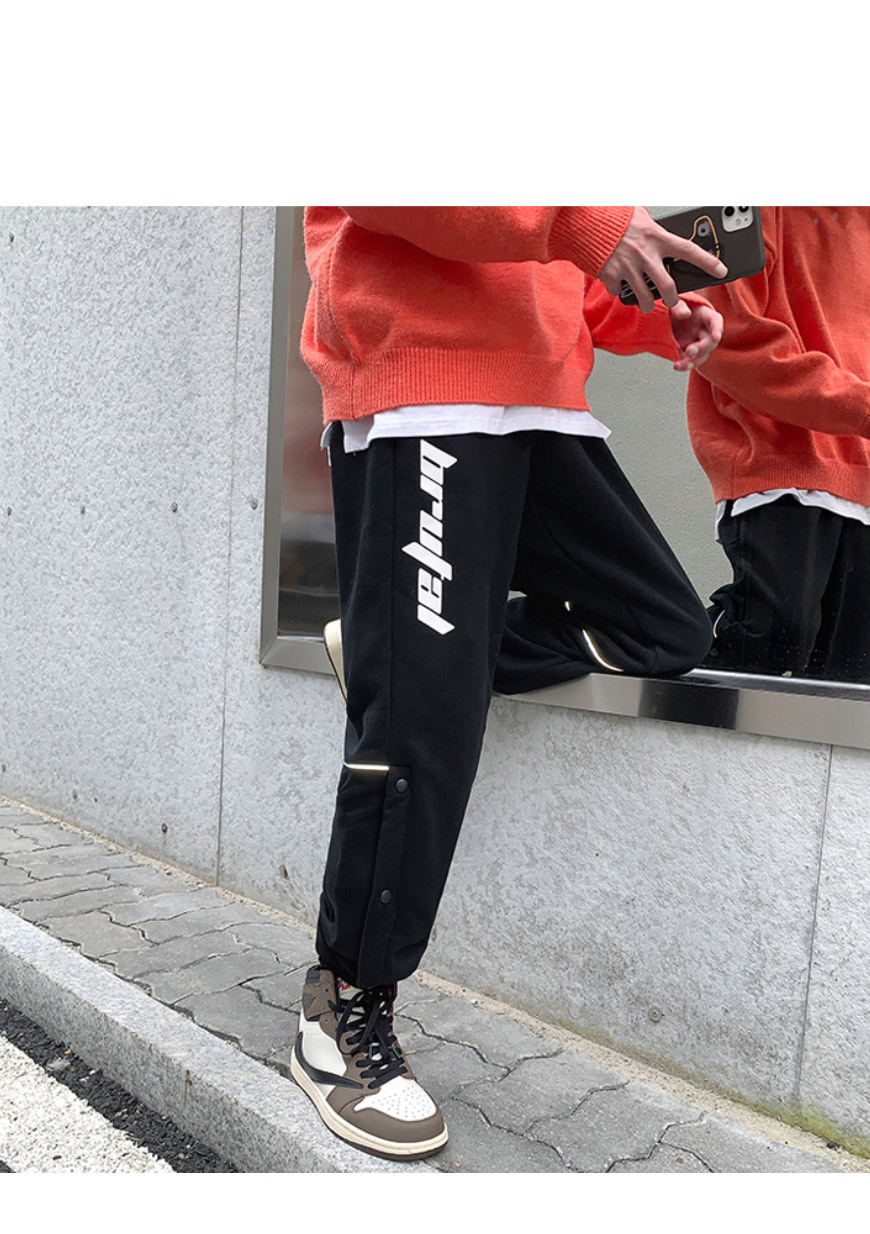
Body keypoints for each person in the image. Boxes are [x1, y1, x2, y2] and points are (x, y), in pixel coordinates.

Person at [291, 206, 726, 1161]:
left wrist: (651, 311)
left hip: (542, 403)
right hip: (429, 389)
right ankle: (341, 1003)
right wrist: (586, 223)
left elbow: (549, 269)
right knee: (425, 736)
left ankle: (402, 655)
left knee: (665, 626)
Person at [687, 207, 870, 682]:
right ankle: (667, 660)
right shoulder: (758, 205)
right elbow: (727, 338)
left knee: (849, 680)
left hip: (864, 477)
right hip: (777, 457)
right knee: (771, 637)